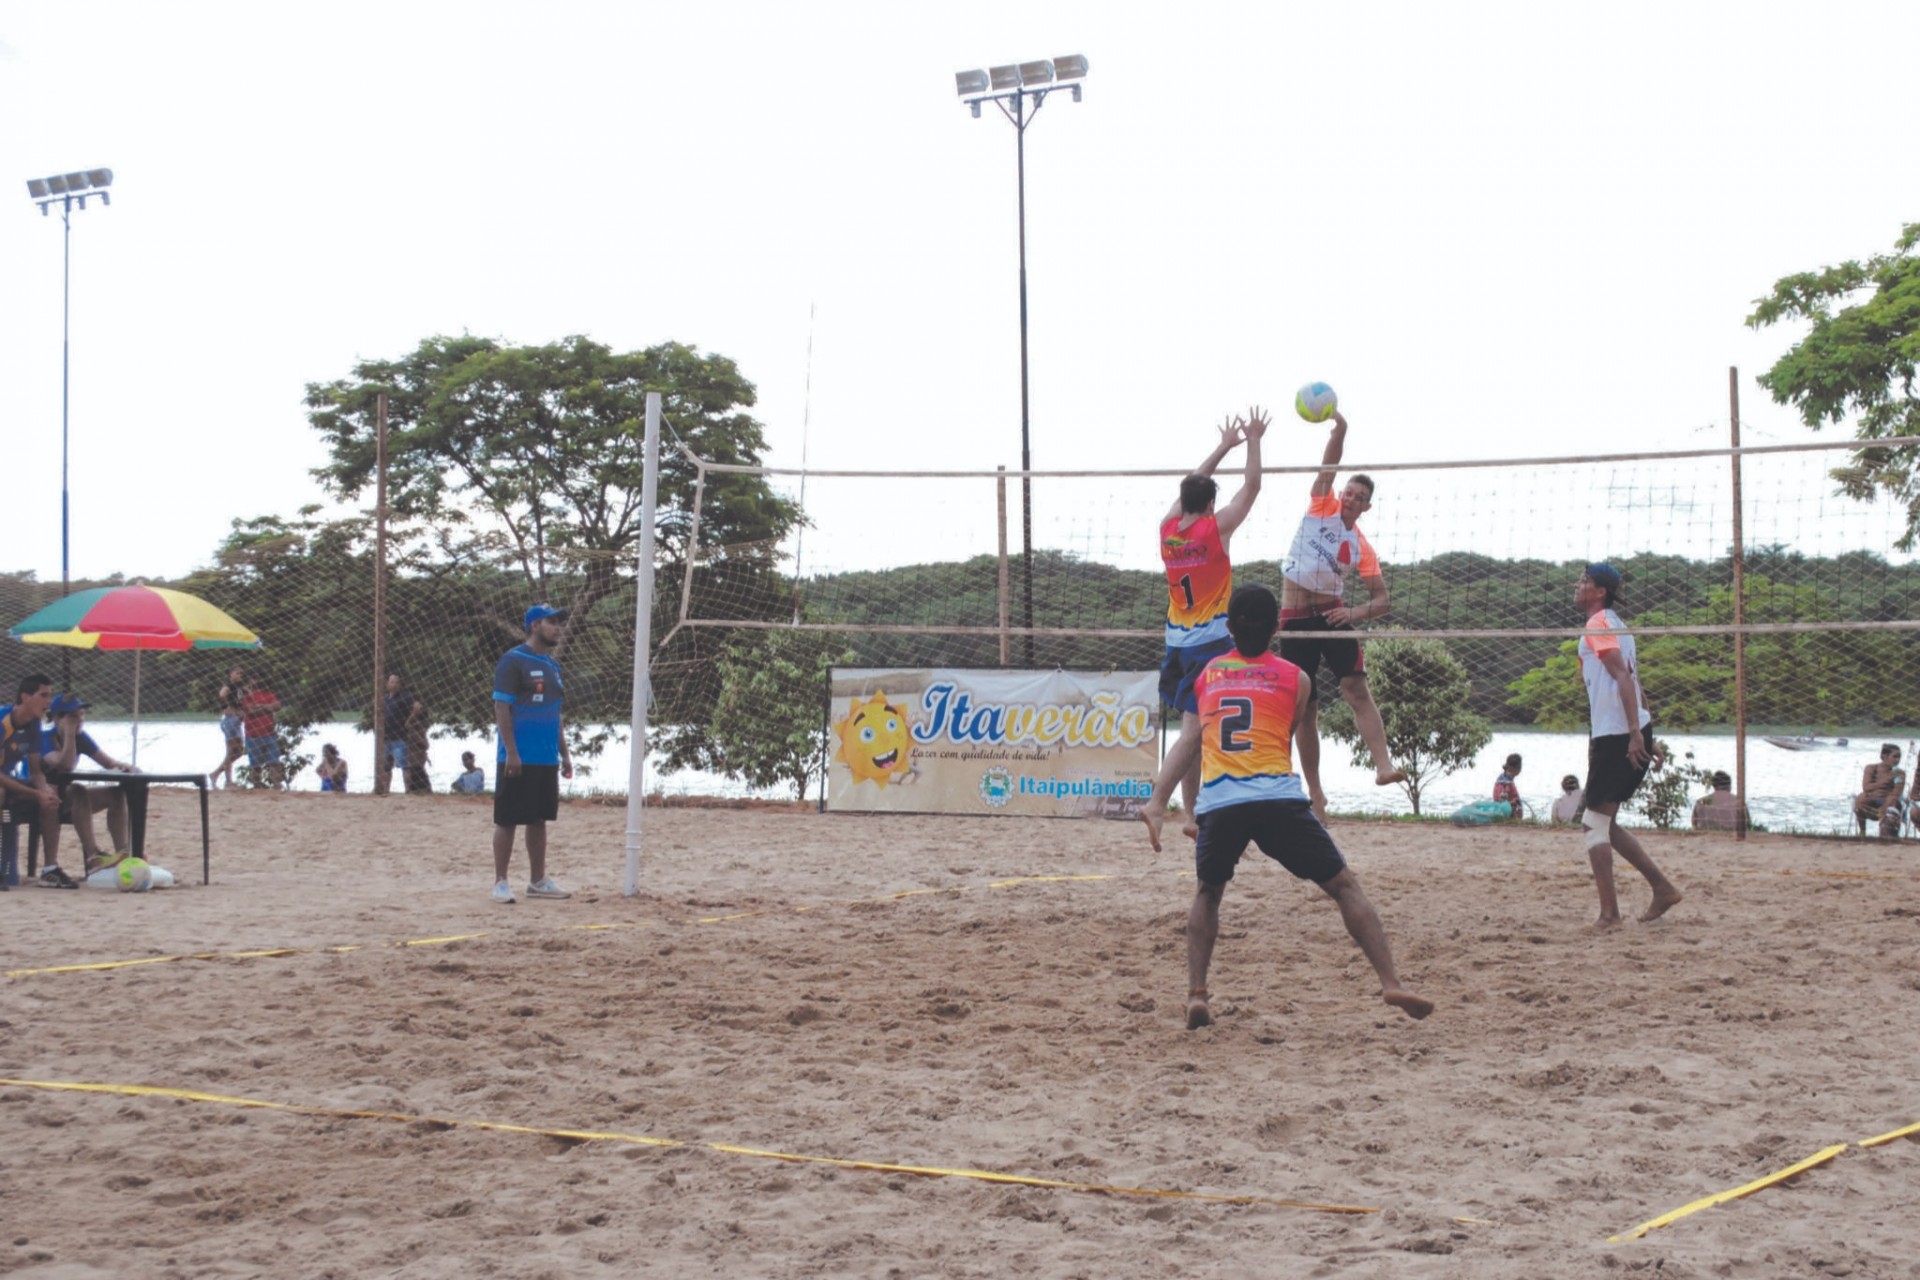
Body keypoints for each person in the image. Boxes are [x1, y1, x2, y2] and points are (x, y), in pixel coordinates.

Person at [1138, 585, 1432, 1030]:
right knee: (1344, 887)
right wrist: (1312, 793)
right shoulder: (1297, 679)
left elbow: (1189, 742)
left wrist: (1160, 802)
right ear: (1277, 628)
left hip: (1221, 802)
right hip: (1277, 797)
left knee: (1208, 893)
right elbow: (1287, 734)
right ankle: (1390, 981)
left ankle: (1197, 994)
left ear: (1229, 628)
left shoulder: (1207, 675)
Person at [1278, 408, 1406, 821]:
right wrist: (1341, 429)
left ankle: (1383, 766)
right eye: (1349, 492)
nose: (1351, 498)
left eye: (1359, 497)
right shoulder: (1321, 506)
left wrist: (1354, 610)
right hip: (1295, 617)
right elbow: (1327, 467)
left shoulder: (1361, 545)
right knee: (1306, 706)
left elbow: (1383, 600)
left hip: (1332, 615)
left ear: (1366, 507)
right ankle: (1316, 792)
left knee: (1356, 689)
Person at [1154, 408, 1267, 837]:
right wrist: (1253, 439)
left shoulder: (1167, 529)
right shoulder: (1213, 530)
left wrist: (1222, 447)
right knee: (1193, 730)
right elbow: (1252, 486)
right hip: (1208, 641)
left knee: (1192, 727)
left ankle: (1192, 815)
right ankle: (1163, 804)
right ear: (1211, 505)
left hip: (1176, 642)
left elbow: (1191, 488)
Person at [1573, 563, 1682, 928]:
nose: (1577, 585)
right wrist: (1648, 732)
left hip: (1617, 733)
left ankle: (1610, 914)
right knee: (1604, 821)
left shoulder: (1599, 623)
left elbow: (1623, 675)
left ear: (1600, 591)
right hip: (1623, 729)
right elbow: (1635, 681)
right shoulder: (1615, 623)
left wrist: (1637, 734)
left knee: (1592, 821)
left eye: (1584, 581)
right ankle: (1662, 887)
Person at [491, 603, 574, 904]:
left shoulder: (553, 666)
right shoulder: (513, 661)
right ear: (535, 625)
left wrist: (564, 755)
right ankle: (500, 882)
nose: (558, 627)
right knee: (508, 819)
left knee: (538, 820)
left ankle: (537, 881)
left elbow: (556, 713)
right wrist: (511, 751)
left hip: (546, 756)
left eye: (559, 623)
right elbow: (502, 707)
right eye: (552, 622)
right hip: (518, 757)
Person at [38, 693, 136, 873]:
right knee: (78, 791)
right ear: (57, 718)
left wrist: (126, 767)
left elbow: (108, 763)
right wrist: (68, 733)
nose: (80, 720)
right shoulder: (46, 738)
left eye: (82, 715)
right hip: (42, 796)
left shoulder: (81, 737)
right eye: (73, 716)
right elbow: (65, 764)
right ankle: (93, 856)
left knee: (116, 793)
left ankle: (123, 853)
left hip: (64, 796)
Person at [2, 674, 70, 887]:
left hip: (8, 780)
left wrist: (43, 790)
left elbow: (35, 770)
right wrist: (34, 794)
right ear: (25, 697)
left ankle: (50, 869)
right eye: (44, 695)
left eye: (50, 695)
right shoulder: (3, 722)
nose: (49, 701)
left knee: (51, 796)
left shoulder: (34, 726)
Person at [380, 674, 427, 795]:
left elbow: (417, 707)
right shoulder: (385, 699)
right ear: (387, 684)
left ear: (399, 684)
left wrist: (408, 721)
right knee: (386, 766)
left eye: (397, 682)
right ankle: (386, 790)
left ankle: (408, 791)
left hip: (400, 737)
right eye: (392, 682)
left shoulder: (405, 697)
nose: (394, 684)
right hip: (387, 738)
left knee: (404, 766)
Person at [238, 671, 285, 789]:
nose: (256, 681)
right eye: (253, 678)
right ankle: (257, 784)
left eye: (258, 678)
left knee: (274, 761)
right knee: (255, 763)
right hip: (253, 733)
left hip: (269, 733)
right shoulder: (246, 695)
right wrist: (267, 708)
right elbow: (250, 712)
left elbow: (278, 705)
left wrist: (261, 707)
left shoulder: (269, 694)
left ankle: (276, 783)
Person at [1853, 744, 1904, 837]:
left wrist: (1878, 787)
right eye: (1895, 757)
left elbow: (1897, 791)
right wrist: (1888, 779)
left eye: (1899, 757)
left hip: (1888, 801)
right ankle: (1862, 832)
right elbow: (1866, 787)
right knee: (1860, 799)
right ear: (1884, 757)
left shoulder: (1900, 773)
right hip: (1871, 800)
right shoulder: (1871, 768)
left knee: (1892, 801)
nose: (1897, 760)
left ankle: (1885, 834)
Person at [211, 667, 246, 788]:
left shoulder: (239, 687)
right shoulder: (229, 685)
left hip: (237, 721)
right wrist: (229, 706)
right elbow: (222, 694)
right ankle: (228, 781)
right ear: (231, 674)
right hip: (230, 720)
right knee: (231, 751)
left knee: (239, 751)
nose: (240, 674)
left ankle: (215, 774)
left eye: (241, 673)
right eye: (237, 672)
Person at [1691, 770, 1752, 834]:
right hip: (1732, 835)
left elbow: (1694, 824)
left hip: (1705, 834)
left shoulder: (1700, 802)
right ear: (1729, 785)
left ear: (1713, 785)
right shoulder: (1739, 802)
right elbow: (1747, 824)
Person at [1492, 752, 1524, 819]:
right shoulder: (1506, 783)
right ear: (1517, 768)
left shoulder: (1501, 778)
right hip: (1508, 816)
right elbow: (1504, 802)